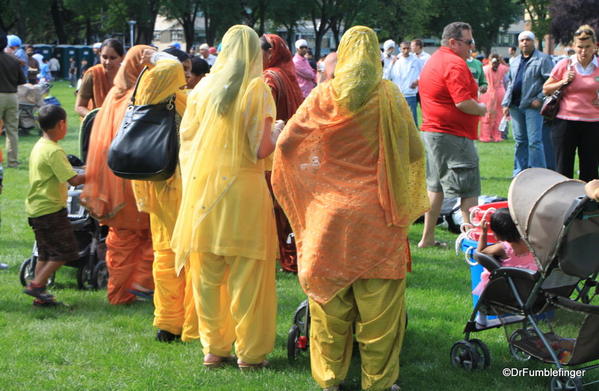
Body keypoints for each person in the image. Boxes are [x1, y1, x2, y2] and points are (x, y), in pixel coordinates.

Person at [272, 25, 429, 391]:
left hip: (328, 217)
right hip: (378, 215)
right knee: (380, 312)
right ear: (375, 56)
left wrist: (318, 179)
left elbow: (287, 145)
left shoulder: (323, 96)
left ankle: (330, 379)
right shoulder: (389, 96)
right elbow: (413, 152)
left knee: (329, 306)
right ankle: (378, 383)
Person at [171, 25, 280, 369]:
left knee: (207, 275)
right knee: (249, 278)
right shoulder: (256, 91)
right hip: (244, 192)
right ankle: (250, 354)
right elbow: (260, 148)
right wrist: (278, 131)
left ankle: (213, 349)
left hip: (205, 192)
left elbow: (185, 141)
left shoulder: (202, 89)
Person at [131, 48, 199, 342]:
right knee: (185, 256)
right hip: (175, 186)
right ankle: (182, 322)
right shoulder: (168, 94)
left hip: (157, 184)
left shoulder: (147, 92)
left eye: (188, 68)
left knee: (166, 256)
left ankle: (169, 322)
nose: (185, 73)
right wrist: (162, 59)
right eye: (181, 67)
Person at [80, 45, 155, 305]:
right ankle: (137, 286)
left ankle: (121, 291)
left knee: (122, 237)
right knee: (143, 233)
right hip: (134, 178)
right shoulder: (138, 96)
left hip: (115, 179)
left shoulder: (114, 94)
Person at [417, 22, 487, 249]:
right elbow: (463, 102)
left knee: (435, 187)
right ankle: (473, 244)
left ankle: (427, 239)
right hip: (451, 135)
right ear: (453, 42)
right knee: (468, 189)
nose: (472, 47)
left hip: (435, 133)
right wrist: (483, 109)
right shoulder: (454, 64)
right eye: (468, 42)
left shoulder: (435, 59)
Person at [23, 105, 86, 306]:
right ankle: (37, 285)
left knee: (45, 252)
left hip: (37, 208)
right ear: (61, 124)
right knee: (66, 252)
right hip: (50, 210)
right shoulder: (54, 151)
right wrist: (96, 171)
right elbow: (74, 180)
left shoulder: (40, 145)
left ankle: (40, 294)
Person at [260, 33, 304, 273]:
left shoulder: (270, 77)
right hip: (291, 145)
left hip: (273, 144)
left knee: (275, 203)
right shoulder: (288, 73)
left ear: (270, 52)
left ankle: (282, 253)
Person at [542, 25, 599, 182]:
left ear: (595, 46)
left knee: (590, 169)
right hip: (565, 123)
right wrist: (563, 81)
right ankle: (563, 203)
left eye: (587, 47)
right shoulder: (565, 65)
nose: (583, 51)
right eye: (580, 47)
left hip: (593, 124)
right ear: (574, 46)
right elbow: (546, 89)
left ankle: (590, 205)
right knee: (563, 168)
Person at [502, 31, 554, 177]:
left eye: (528, 40)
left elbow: (550, 81)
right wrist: (506, 103)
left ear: (533, 42)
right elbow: (511, 83)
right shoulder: (515, 61)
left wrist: (540, 98)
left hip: (532, 106)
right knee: (519, 141)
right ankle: (519, 173)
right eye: (522, 40)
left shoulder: (543, 59)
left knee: (534, 142)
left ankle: (539, 173)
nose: (525, 42)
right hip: (515, 106)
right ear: (519, 43)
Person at [472, 208, 537, 296]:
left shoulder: (503, 248)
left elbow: (480, 253)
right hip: (531, 286)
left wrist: (484, 232)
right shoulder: (531, 242)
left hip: (509, 288)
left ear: (498, 234)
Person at [75, 39, 125, 118]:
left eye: (113, 58)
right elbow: (79, 106)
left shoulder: (128, 76)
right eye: (104, 57)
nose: (108, 62)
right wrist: (98, 119)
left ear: (122, 58)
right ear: (99, 55)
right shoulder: (92, 74)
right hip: (97, 123)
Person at [0, 32, 27, 169]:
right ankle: (13, 162)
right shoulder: (14, 60)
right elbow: (22, 81)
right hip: (12, 96)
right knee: (12, 130)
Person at [384, 41, 423, 126]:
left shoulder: (416, 60)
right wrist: (391, 63)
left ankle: (414, 136)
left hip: (411, 94)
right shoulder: (396, 60)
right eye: (404, 48)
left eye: (408, 48)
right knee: (398, 120)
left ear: (410, 49)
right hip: (398, 94)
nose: (406, 50)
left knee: (412, 120)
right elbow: (387, 76)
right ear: (400, 49)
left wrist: (417, 81)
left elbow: (423, 73)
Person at [479, 54, 509, 142]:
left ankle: (485, 136)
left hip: (487, 93)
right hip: (500, 93)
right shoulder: (503, 68)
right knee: (499, 115)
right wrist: (502, 61)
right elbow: (508, 69)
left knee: (486, 115)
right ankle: (497, 136)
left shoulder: (484, 69)